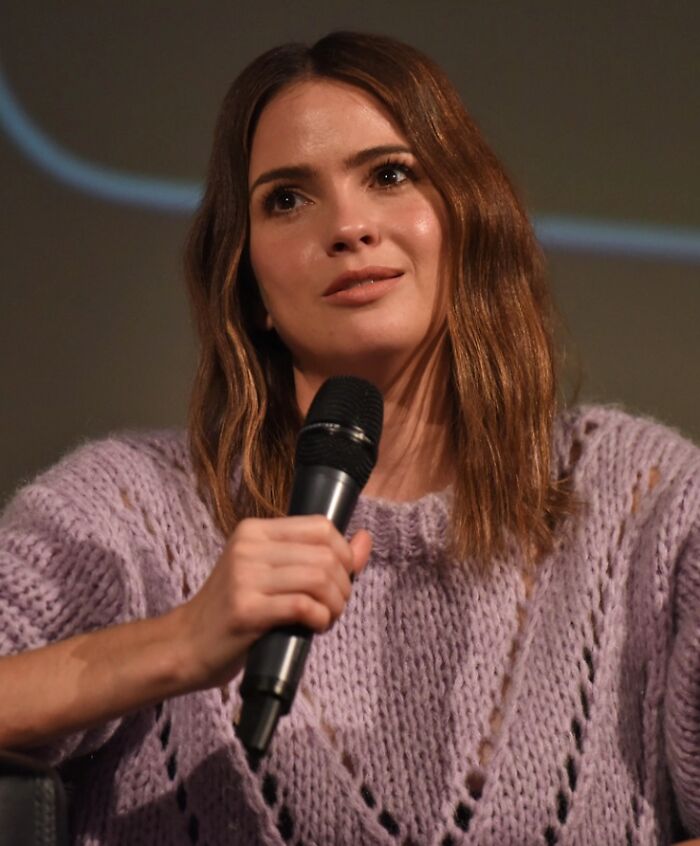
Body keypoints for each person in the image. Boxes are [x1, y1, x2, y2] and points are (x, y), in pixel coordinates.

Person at [1, 30, 699, 846]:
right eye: (287, 199)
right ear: (250, 280)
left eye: (390, 175)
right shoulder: (131, 508)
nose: (350, 226)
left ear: (464, 218)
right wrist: (180, 642)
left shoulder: (646, 502)